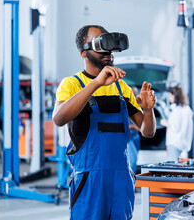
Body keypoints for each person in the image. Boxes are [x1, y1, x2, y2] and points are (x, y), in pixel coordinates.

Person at [52, 25, 156, 219]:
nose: (107, 51)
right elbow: (59, 118)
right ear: (83, 53)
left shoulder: (121, 87)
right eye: (100, 45)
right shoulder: (71, 84)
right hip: (89, 179)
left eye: (108, 46)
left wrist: (148, 111)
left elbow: (147, 131)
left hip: (121, 178)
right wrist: (96, 83)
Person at [161, 86, 193, 161]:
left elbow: (175, 127)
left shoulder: (177, 110)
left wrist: (164, 122)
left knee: (173, 167)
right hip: (183, 143)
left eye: (170, 96)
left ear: (176, 96)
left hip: (174, 143)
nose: (169, 98)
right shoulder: (186, 109)